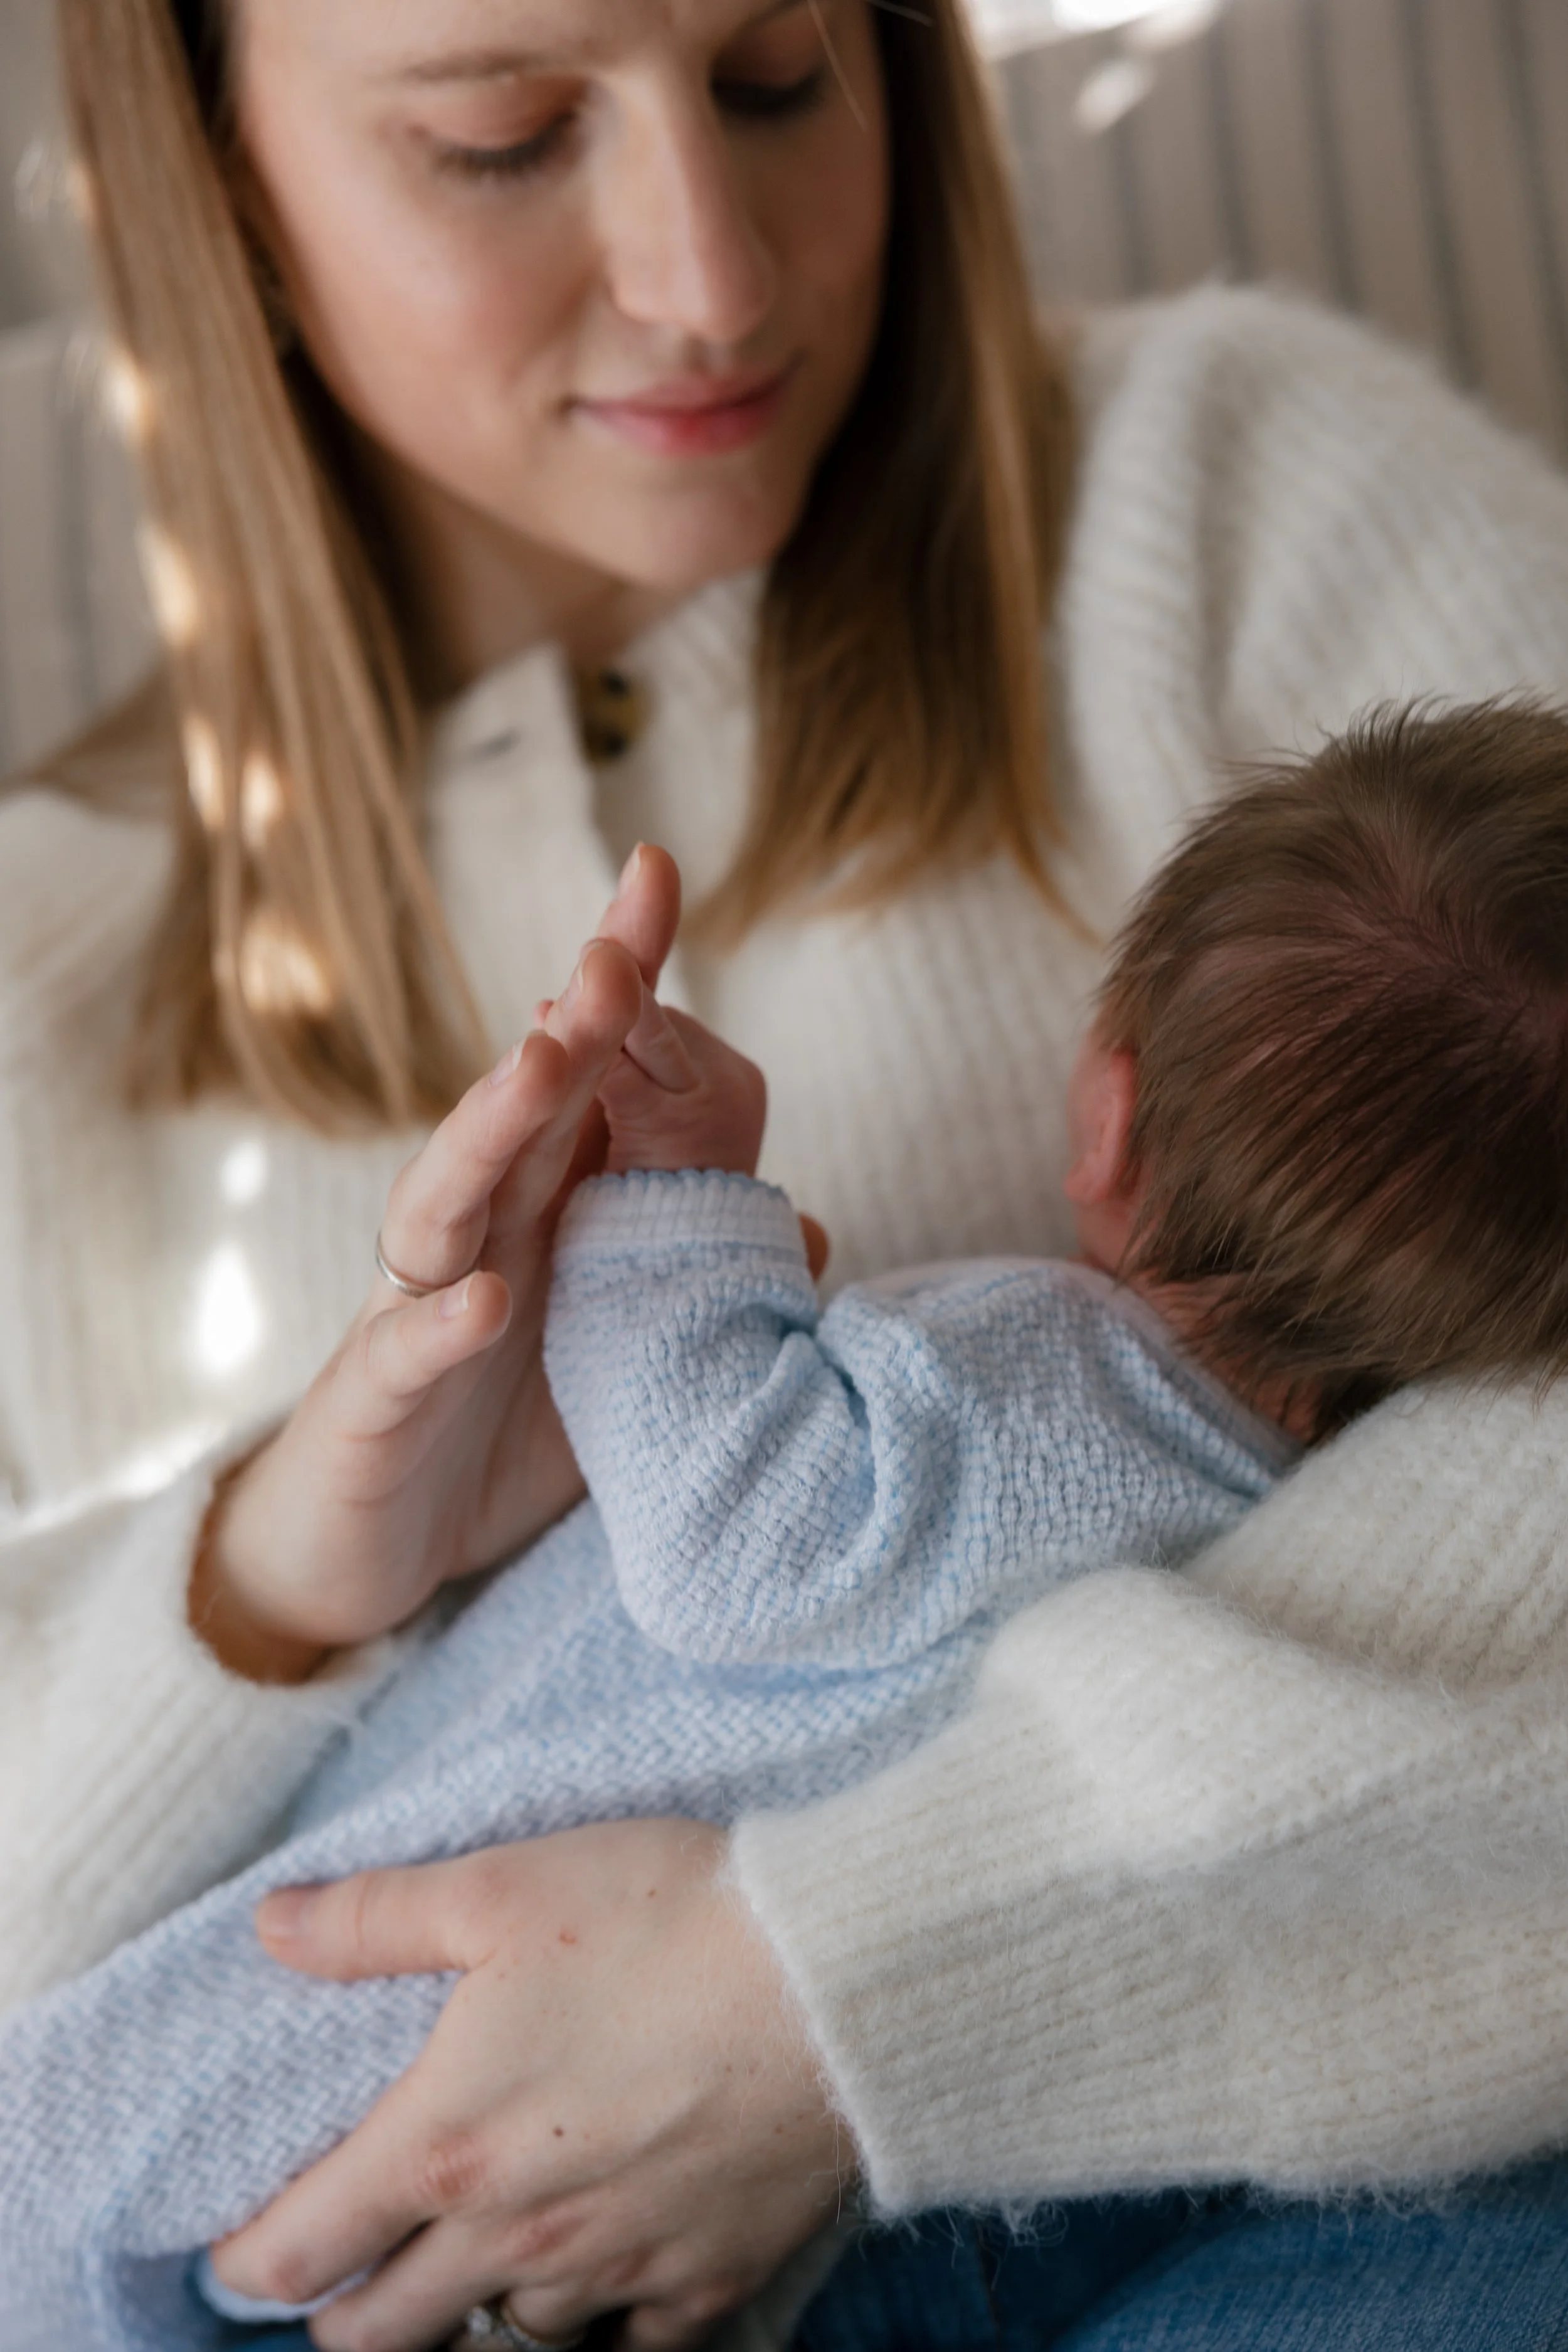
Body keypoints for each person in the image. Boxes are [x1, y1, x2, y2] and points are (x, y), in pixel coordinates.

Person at [6, 0, 1568, 2341]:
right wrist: (284, 1579)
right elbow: (66, 2095)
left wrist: (824, 1993)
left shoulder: (1240, 501)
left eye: (775, 78)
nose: (712, 277)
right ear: (219, 173)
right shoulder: (46, 976)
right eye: (505, 135)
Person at [8, 695, 1568, 2352]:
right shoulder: (1284, 1514)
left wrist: (676, 1205)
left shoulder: (1043, 1376)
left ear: (1102, 1110)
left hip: (453, 2138)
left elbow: (736, 1548)